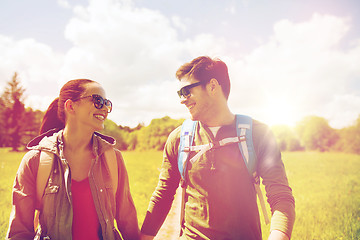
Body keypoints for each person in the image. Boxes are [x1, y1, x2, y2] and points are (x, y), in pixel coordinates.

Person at [140, 56, 295, 240]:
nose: (182, 100)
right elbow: (163, 195)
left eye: (186, 91)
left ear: (213, 86)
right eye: (179, 94)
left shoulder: (259, 134)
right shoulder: (179, 138)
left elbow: (281, 197)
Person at [6, 79, 140, 240]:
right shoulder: (35, 160)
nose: (105, 108)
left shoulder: (113, 157)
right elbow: (19, 232)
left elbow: (127, 219)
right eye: (98, 101)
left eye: (107, 103)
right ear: (71, 106)